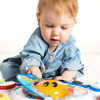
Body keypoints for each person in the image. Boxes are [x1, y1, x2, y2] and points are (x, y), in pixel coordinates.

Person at [0, 0, 84, 82]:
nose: (56, 33)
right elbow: (31, 54)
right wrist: (33, 67)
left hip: (57, 74)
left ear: (73, 24)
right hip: (35, 73)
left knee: (74, 62)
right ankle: (21, 80)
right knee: (8, 66)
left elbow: (72, 62)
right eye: (49, 26)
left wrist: (65, 76)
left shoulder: (70, 43)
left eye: (64, 27)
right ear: (39, 20)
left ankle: (64, 79)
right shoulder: (37, 38)